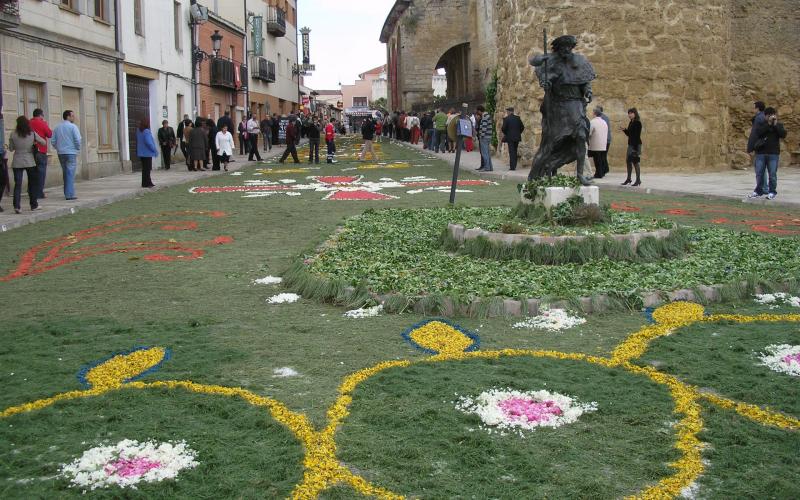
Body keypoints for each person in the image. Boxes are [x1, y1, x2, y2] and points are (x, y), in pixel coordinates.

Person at [528, 35, 595, 185]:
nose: (566, 50)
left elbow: (584, 80)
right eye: (563, 48)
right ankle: (545, 169)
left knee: (581, 136)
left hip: (576, 106)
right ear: (558, 49)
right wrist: (546, 83)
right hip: (559, 108)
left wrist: (588, 91)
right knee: (552, 143)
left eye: (569, 47)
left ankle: (580, 175)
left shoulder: (579, 61)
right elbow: (534, 62)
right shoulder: (552, 62)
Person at [8, 116, 44, 213]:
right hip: (29, 160)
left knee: (18, 184)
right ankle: (33, 204)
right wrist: (34, 142)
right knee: (32, 184)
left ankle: (17, 206)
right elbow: (43, 142)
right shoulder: (31, 133)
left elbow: (11, 149)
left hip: (17, 160)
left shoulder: (13, 134)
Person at [749, 107, 786, 200]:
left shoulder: (778, 125)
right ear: (765, 116)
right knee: (759, 173)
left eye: (773, 115)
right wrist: (768, 124)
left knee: (772, 174)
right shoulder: (762, 124)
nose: (771, 117)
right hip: (761, 153)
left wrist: (775, 125)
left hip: (773, 153)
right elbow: (759, 133)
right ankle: (758, 191)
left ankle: (772, 191)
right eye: (769, 116)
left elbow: (783, 134)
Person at [51, 109, 81, 200]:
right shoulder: (73, 127)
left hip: (61, 153)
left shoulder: (57, 127)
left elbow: (53, 141)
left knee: (65, 173)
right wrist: (77, 148)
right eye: (72, 116)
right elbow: (78, 139)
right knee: (70, 173)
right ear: (67, 116)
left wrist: (58, 148)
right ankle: (69, 194)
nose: (73, 117)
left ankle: (67, 192)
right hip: (71, 152)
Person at [747, 101, 769, 195]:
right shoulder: (764, 117)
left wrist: (750, 147)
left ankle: (763, 188)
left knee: (760, 168)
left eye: (754, 107)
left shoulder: (759, 118)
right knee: (762, 168)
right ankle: (764, 187)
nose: (753, 109)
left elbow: (754, 134)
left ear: (758, 108)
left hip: (760, 146)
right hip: (765, 146)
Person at [29, 108, 52, 199]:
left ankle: (31, 190)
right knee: (41, 172)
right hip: (41, 150)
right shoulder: (42, 123)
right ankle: (39, 192)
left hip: (30, 151)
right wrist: (45, 123)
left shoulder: (29, 123)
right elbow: (49, 134)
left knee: (32, 172)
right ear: (40, 115)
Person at [621, 108, 643, 186]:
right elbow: (630, 134)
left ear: (635, 114)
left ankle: (638, 180)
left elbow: (637, 136)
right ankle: (629, 179)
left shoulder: (638, 123)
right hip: (630, 145)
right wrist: (625, 130)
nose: (629, 115)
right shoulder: (631, 122)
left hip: (635, 145)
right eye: (629, 113)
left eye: (631, 113)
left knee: (635, 162)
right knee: (628, 161)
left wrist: (635, 148)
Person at [136, 118, 158, 188]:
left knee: (144, 168)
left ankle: (145, 182)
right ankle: (148, 182)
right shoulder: (146, 131)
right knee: (147, 169)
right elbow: (149, 142)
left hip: (141, 152)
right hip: (147, 152)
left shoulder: (138, 131)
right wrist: (154, 150)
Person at [588, 108, 609, 178]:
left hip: (595, 144)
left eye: (593, 113)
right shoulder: (604, 122)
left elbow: (589, 133)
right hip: (603, 145)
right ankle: (601, 173)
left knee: (597, 160)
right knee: (601, 159)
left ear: (595, 114)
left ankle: (598, 174)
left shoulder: (592, 122)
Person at [476, 105, 494, 172]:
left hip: (484, 137)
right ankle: (490, 167)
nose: (478, 113)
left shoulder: (484, 117)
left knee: (484, 153)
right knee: (487, 153)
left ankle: (486, 167)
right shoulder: (488, 116)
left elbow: (484, 128)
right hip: (488, 136)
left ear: (480, 111)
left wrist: (481, 135)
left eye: (478, 111)